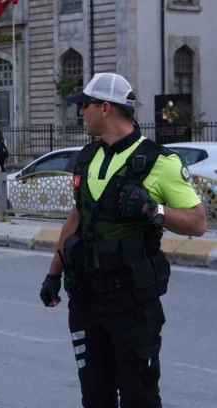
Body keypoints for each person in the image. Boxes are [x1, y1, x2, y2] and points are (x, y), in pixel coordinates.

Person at [39, 73, 207, 408]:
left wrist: (151, 208)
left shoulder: (159, 161)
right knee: (95, 396)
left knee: (138, 397)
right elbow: (78, 215)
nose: (79, 112)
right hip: (86, 297)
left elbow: (198, 222)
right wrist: (53, 273)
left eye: (84, 105)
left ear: (105, 108)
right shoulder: (87, 157)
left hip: (132, 301)